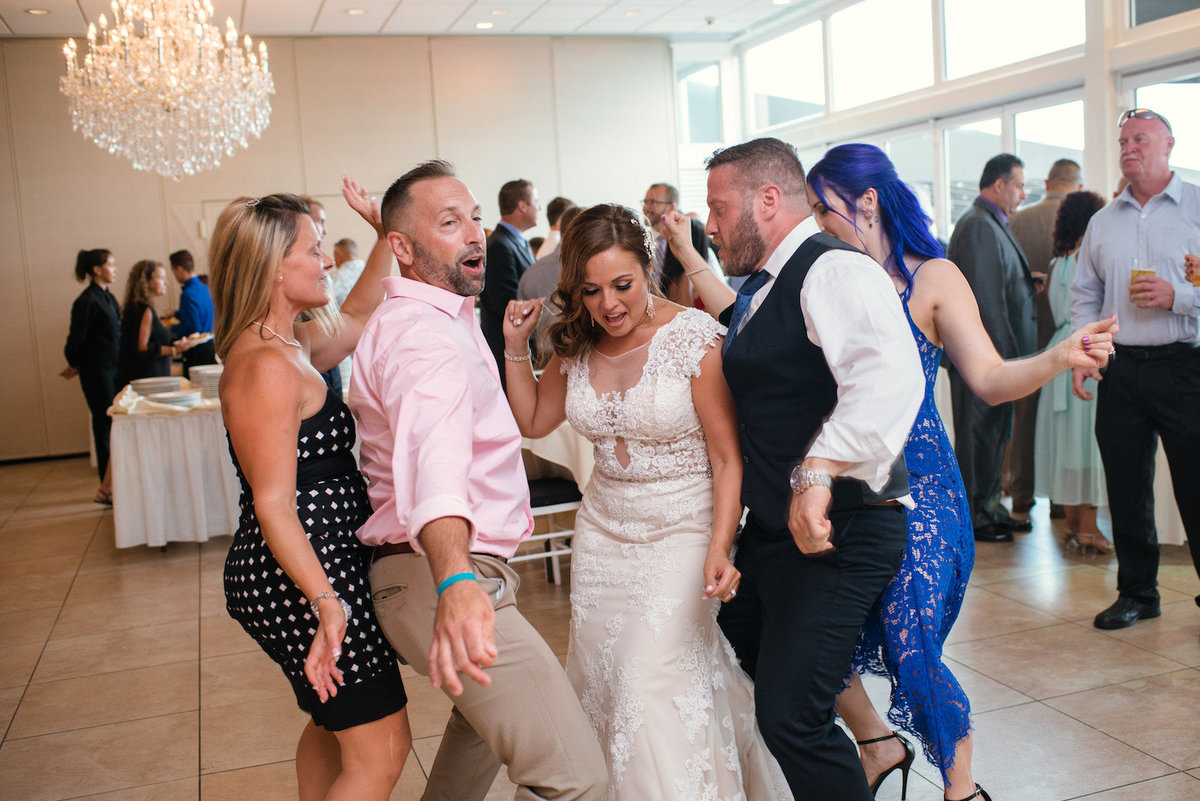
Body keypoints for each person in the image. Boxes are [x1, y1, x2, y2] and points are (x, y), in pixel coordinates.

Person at [805, 143, 1116, 801]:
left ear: (864, 201)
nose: (817, 222)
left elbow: (992, 378)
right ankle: (877, 743)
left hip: (921, 490)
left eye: (822, 206)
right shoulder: (826, 280)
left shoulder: (934, 278)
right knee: (811, 640)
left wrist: (1059, 355)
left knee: (913, 645)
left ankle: (962, 790)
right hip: (848, 495)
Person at [502, 203, 790, 800]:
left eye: (622, 285)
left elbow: (726, 458)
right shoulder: (577, 344)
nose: (609, 304)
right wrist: (514, 348)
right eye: (590, 290)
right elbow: (531, 419)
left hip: (683, 533)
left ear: (647, 267)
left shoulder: (694, 338)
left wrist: (720, 546)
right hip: (604, 537)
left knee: (645, 681)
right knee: (606, 681)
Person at [348, 160, 607, 801]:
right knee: (578, 780)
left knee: (467, 768)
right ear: (401, 248)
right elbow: (432, 464)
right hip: (438, 572)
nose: (473, 235)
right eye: (448, 222)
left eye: (474, 219)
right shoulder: (423, 339)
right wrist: (459, 582)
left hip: (445, 571)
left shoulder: (440, 321)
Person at [702, 136, 923, 801]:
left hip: (845, 527)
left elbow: (889, 379)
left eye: (717, 208)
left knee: (790, 713)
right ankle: (876, 745)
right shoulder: (758, 291)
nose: (708, 225)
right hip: (776, 532)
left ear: (769, 199)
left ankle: (875, 754)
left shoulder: (833, 270)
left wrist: (819, 468)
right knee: (739, 638)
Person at [212, 179, 410, 801]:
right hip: (302, 573)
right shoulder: (266, 367)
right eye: (314, 249)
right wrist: (327, 602)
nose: (327, 261)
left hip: (320, 563)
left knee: (334, 726)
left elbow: (355, 316)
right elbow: (273, 503)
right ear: (273, 267)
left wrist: (385, 238)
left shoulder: (288, 344)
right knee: (381, 750)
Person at [1072, 108, 1200, 630]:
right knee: (1125, 484)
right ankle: (1138, 593)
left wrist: (1181, 296)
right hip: (1120, 372)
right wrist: (1083, 352)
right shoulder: (1102, 221)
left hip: (1184, 366)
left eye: (1140, 139)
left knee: (1196, 484)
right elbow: (1086, 296)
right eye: (1123, 140)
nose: (1129, 148)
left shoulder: (1196, 206)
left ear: (1168, 145)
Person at [946, 154, 1037, 543]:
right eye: (1018, 185)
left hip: (993, 357)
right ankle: (977, 515)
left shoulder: (989, 222)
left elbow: (998, 282)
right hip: (984, 358)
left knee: (992, 435)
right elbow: (985, 301)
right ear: (998, 185)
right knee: (978, 434)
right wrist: (1000, 364)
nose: (1022, 193)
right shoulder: (979, 225)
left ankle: (989, 506)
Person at [1035, 191, 1111, 553]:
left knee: (1066, 443)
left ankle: (1070, 524)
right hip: (1084, 345)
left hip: (1059, 346)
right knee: (1088, 445)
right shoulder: (1087, 255)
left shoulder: (1057, 261)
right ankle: (1090, 529)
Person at [1008, 159, 1084, 516]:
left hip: (1027, 327)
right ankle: (1060, 501)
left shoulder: (1018, 219)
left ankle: (1021, 493)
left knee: (1025, 412)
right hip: (1068, 330)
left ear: (1047, 181)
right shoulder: (1085, 225)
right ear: (1077, 185)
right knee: (1066, 421)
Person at [62, 248, 121, 505]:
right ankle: (106, 486)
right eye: (111, 264)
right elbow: (76, 340)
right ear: (97, 269)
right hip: (97, 371)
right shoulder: (86, 301)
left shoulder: (107, 297)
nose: (115, 269)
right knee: (104, 423)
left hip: (111, 368)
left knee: (112, 423)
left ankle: (113, 481)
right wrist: (75, 363)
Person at [480, 178, 540, 382]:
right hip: (506, 351)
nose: (539, 207)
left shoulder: (516, 242)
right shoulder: (499, 245)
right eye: (536, 201)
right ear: (522, 205)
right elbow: (506, 302)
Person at [118, 259, 198, 387]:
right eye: (161, 278)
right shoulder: (144, 310)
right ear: (146, 281)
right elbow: (142, 348)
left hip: (142, 376)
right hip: (148, 378)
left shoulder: (133, 306)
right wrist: (175, 349)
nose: (166, 283)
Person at [516, 204, 583, 358]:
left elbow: (526, 326)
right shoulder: (587, 267)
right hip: (581, 354)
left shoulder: (532, 271)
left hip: (541, 354)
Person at [642, 182, 717, 306]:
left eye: (653, 202)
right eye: (645, 202)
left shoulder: (690, 242)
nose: (646, 207)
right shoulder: (641, 242)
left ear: (671, 207)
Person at [168, 249, 217, 377]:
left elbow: (192, 328)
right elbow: (200, 312)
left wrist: (170, 327)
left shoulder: (187, 294)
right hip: (210, 347)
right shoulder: (204, 287)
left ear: (179, 269)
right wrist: (177, 314)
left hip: (196, 352)